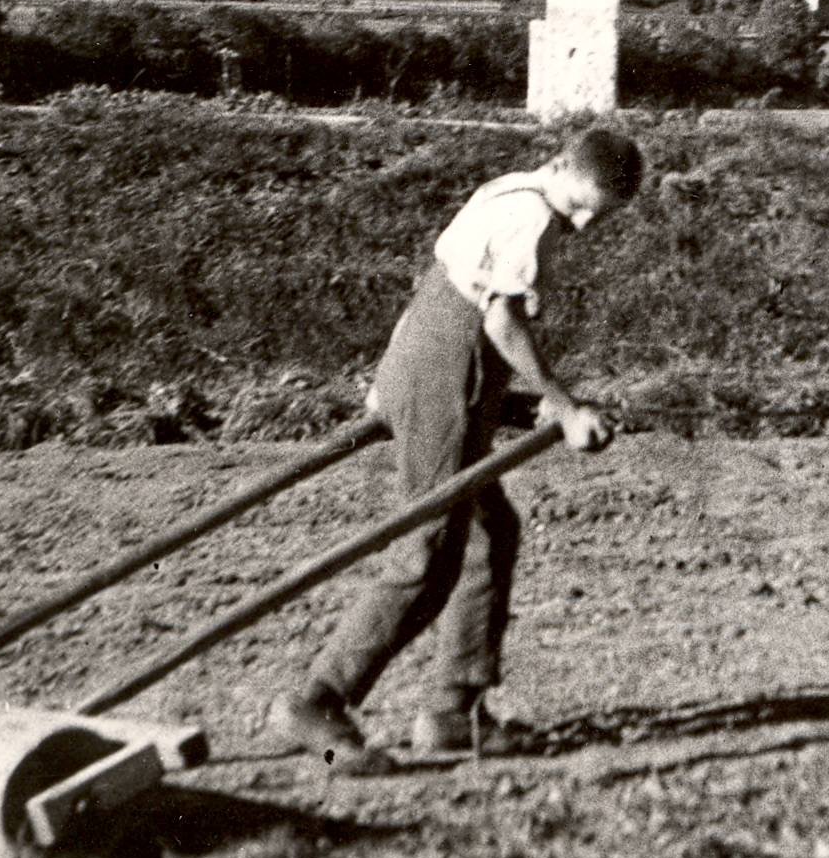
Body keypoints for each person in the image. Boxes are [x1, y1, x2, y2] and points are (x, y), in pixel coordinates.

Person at [272, 125, 643, 770]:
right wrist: (563, 405)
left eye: (599, 218)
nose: (584, 224)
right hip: (445, 376)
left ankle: (453, 711)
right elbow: (500, 322)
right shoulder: (532, 218)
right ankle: (317, 701)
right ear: (562, 167)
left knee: (489, 534)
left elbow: (454, 295)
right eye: (582, 206)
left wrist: (494, 395)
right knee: (433, 548)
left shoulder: (511, 189)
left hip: (434, 364)